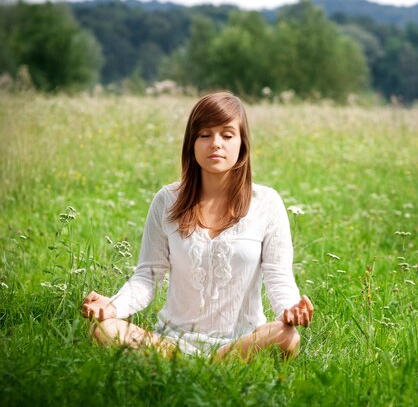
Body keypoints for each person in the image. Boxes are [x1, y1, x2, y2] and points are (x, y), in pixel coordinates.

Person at [81, 91, 313, 360]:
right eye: (205, 134)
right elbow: (147, 276)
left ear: (242, 144)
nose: (216, 143)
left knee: (287, 336)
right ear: (192, 143)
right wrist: (112, 307)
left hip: (241, 340)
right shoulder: (166, 200)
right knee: (103, 330)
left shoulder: (267, 203)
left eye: (227, 135)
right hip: (171, 341)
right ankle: (188, 361)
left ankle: (217, 359)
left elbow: (278, 276)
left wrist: (290, 309)